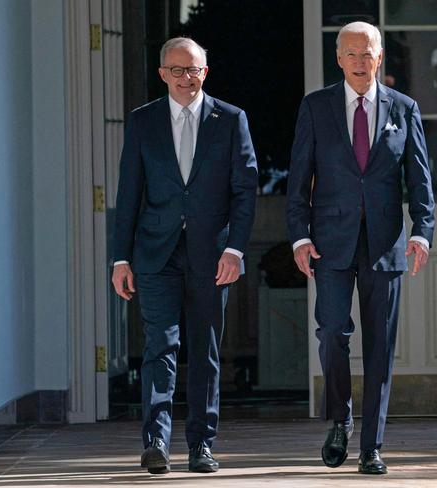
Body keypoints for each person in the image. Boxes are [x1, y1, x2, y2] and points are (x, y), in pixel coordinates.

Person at [286, 22, 435, 475]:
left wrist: (421, 231)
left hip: (386, 244)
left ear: (380, 56)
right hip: (330, 243)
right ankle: (341, 419)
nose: (359, 61)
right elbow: (298, 180)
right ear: (338, 58)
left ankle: (372, 446)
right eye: (350, 54)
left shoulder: (403, 108)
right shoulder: (316, 107)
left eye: (366, 53)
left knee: (380, 348)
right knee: (332, 334)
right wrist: (300, 235)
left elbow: (420, 179)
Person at [111, 37, 258, 475]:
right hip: (155, 254)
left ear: (205, 72)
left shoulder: (231, 120)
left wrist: (235, 249)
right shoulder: (143, 122)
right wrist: (121, 259)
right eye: (177, 70)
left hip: (213, 256)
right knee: (161, 346)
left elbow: (244, 191)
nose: (186, 78)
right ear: (162, 74)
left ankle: (201, 446)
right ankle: (156, 442)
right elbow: (129, 192)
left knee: (206, 351)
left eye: (193, 69)